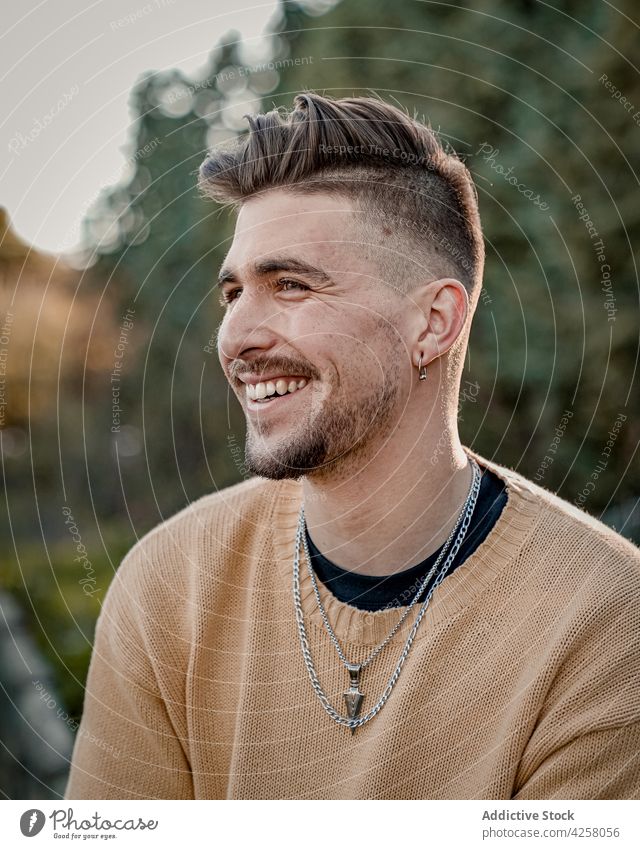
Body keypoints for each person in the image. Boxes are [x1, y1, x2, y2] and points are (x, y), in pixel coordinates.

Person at [65, 92, 640, 800]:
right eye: (233, 292)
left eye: (292, 284)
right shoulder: (168, 586)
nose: (237, 336)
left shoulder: (605, 619)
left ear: (434, 322)